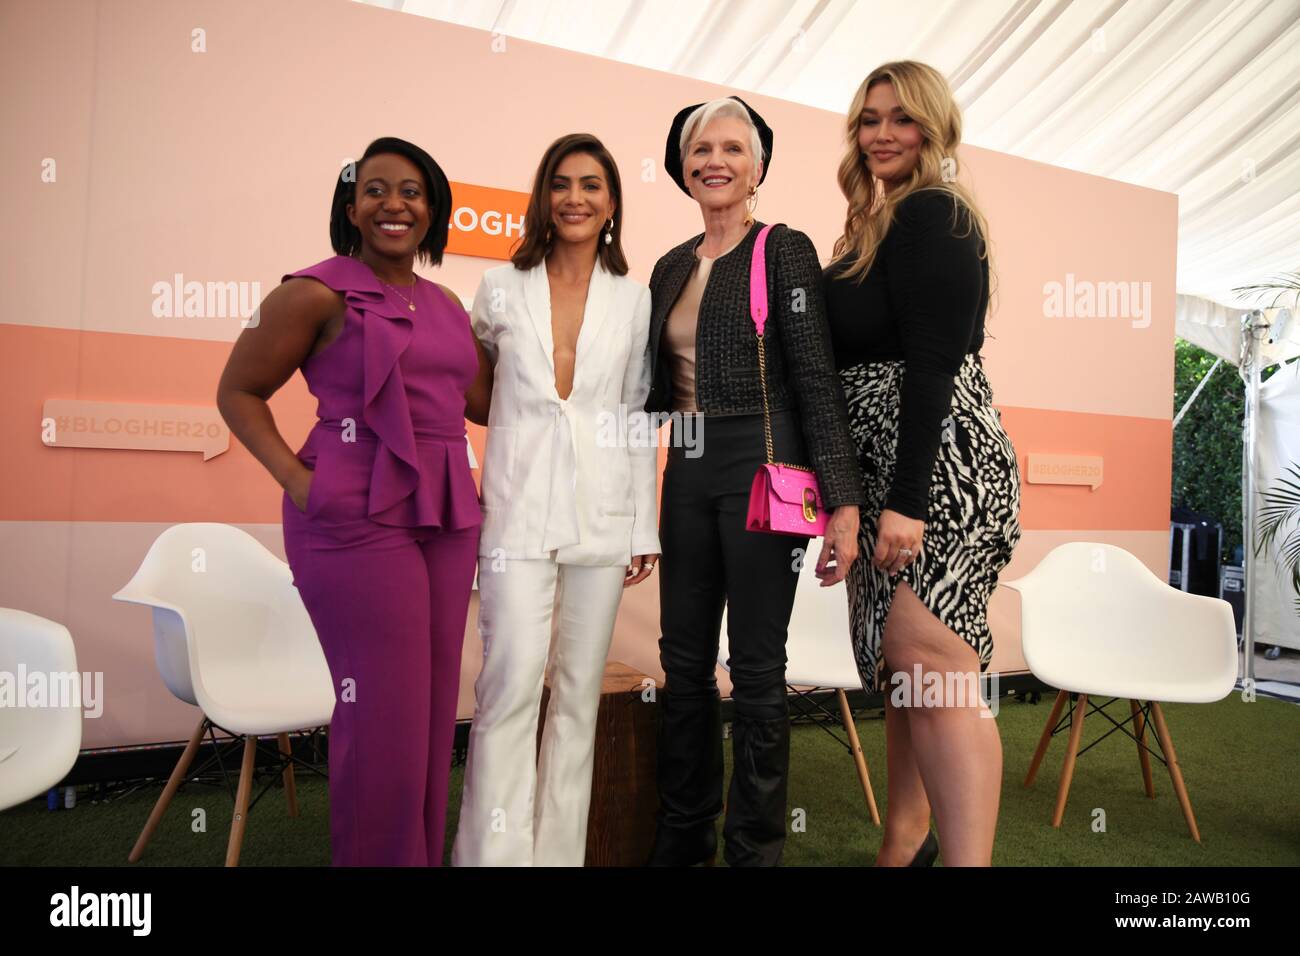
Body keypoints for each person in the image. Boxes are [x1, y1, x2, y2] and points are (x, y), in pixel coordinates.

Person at [216, 137, 490, 866]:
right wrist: (300, 482)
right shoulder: (310, 291)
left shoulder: (445, 304)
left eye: (411, 191)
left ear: (432, 210)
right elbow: (237, 392)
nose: (393, 204)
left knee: (432, 712)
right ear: (350, 207)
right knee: (384, 716)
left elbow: (484, 402)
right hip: (352, 512)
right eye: (375, 190)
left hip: (445, 511)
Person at [646, 96, 865, 866]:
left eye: (733, 148)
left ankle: (754, 851)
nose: (716, 160)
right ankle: (682, 837)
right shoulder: (670, 265)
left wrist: (843, 502)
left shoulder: (785, 250)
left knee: (758, 668)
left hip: (760, 465)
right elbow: (647, 399)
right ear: (682, 166)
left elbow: (815, 377)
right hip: (687, 466)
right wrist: (628, 504)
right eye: (701, 148)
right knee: (681, 664)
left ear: (759, 166)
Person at [822, 61, 1023, 867]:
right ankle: (902, 845)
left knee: (935, 674)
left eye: (901, 119)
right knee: (906, 674)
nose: (881, 134)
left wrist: (906, 503)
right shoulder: (879, 222)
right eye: (869, 119)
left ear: (934, 128)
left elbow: (934, 366)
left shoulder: (934, 215)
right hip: (889, 475)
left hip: (937, 472)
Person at [451, 134, 660, 866]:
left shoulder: (635, 302)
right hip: (514, 514)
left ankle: (558, 856)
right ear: (545, 197)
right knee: (508, 687)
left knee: (576, 700)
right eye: (562, 183)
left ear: (611, 204)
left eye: (592, 185)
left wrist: (643, 526)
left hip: (601, 518)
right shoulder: (499, 287)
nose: (576, 197)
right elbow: (473, 389)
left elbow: (637, 414)